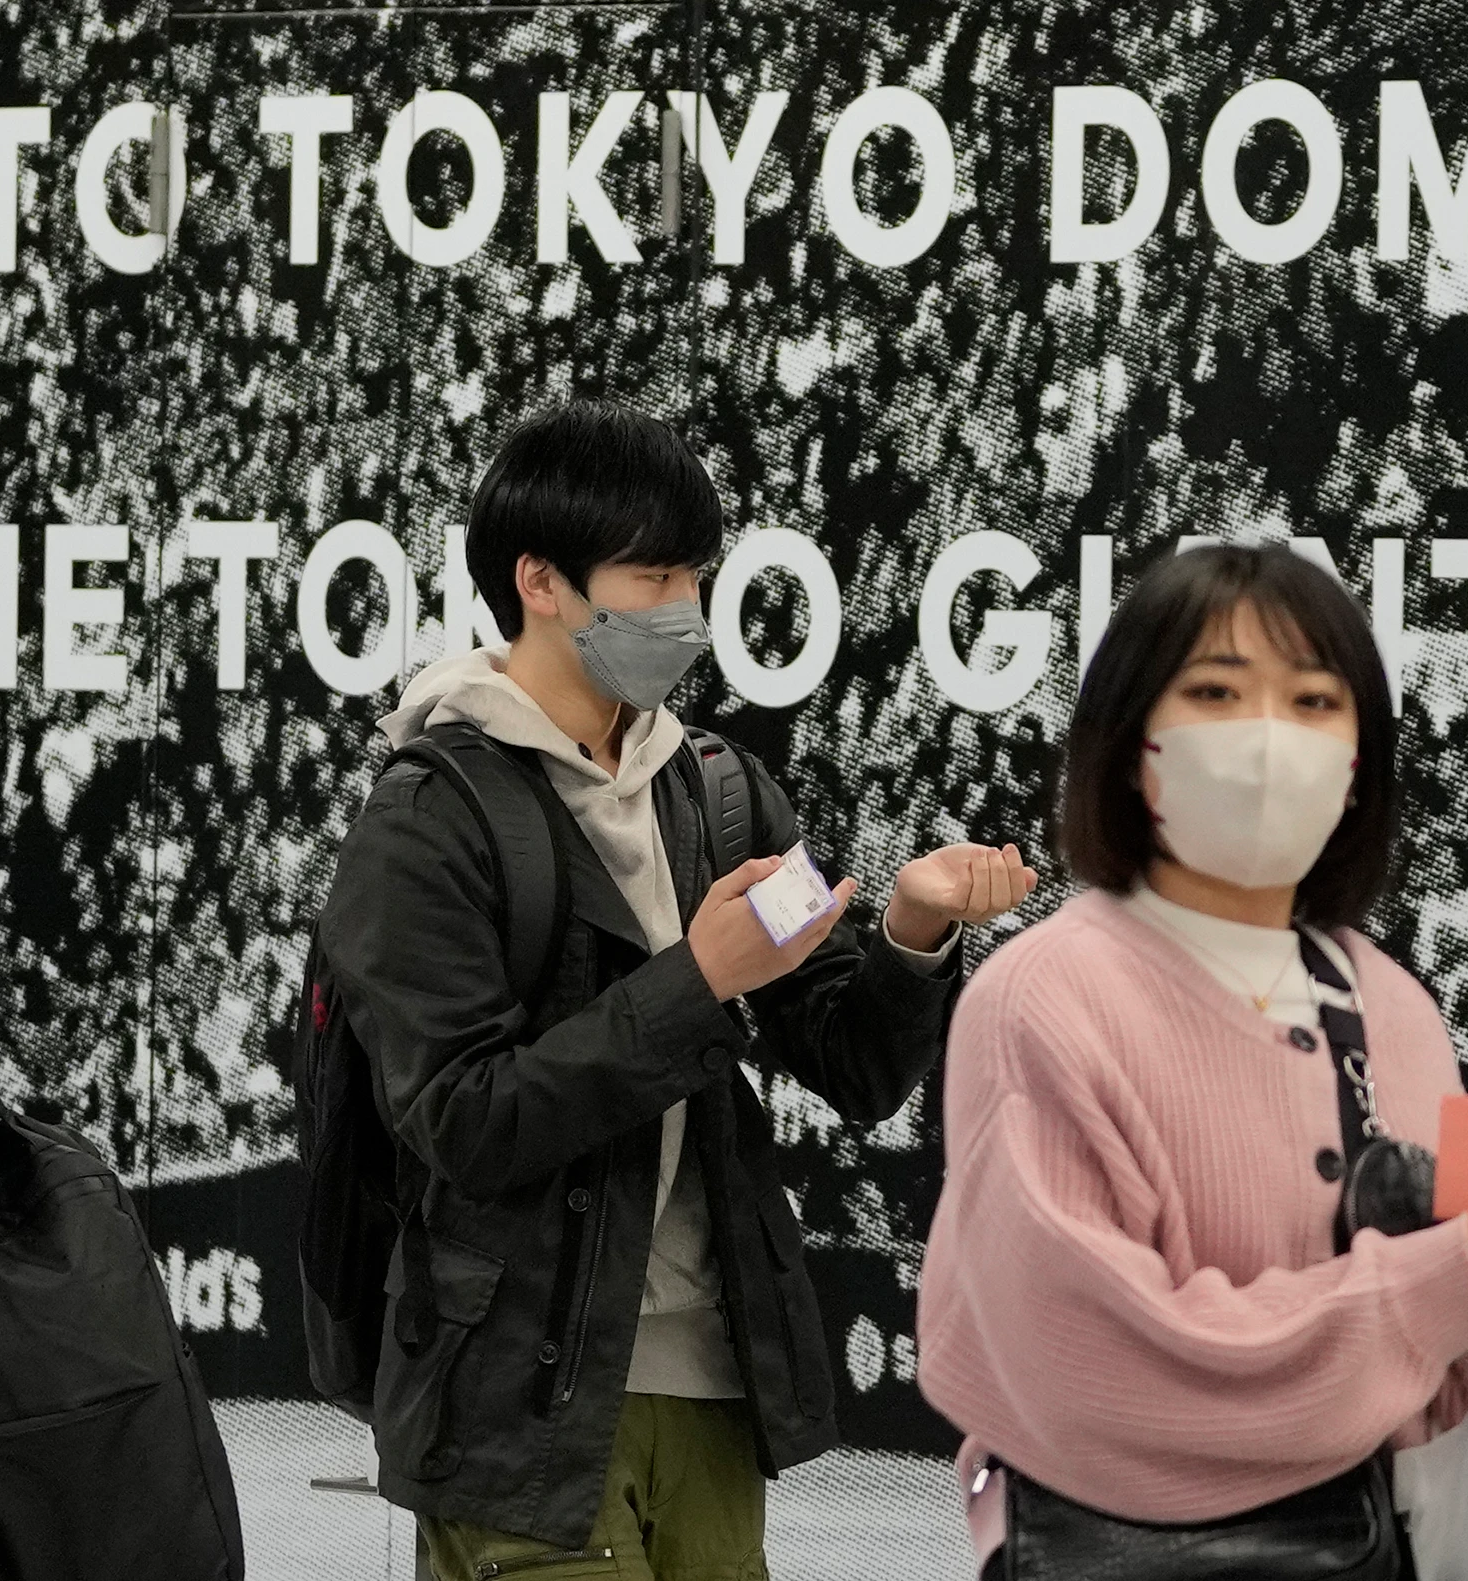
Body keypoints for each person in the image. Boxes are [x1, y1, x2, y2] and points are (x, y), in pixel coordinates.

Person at [318, 400, 1037, 1581]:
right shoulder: (428, 815)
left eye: (694, 575)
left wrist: (911, 931)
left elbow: (851, 1066)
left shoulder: (717, 791)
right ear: (539, 581)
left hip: (714, 1383)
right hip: (522, 1405)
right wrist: (697, 979)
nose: (685, 612)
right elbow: (466, 1120)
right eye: (653, 576)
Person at [915, 541, 1468, 1577]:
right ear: (1130, 739)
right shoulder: (1045, 1000)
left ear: (1363, 757)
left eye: (1316, 701)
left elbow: (1447, 1370)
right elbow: (1091, 1368)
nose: (1271, 738)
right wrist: (1431, 1293)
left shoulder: (1394, 1008)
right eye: (1216, 691)